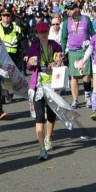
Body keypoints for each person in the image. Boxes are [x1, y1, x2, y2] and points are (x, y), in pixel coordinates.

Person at [26, 21, 64, 160]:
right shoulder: (34, 47)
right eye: (40, 32)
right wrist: (29, 63)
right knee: (40, 116)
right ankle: (42, 148)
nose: (43, 34)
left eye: (45, 32)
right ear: (36, 33)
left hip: (53, 84)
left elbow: (61, 61)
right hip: (38, 85)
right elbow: (29, 67)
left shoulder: (54, 45)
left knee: (52, 114)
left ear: (48, 32)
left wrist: (58, 62)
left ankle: (48, 137)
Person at [61, 2, 94, 107]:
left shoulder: (86, 19)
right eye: (67, 9)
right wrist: (62, 51)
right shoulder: (66, 22)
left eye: (71, 9)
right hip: (72, 51)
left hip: (85, 51)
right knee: (73, 77)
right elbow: (63, 38)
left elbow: (92, 34)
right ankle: (75, 100)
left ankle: (88, 97)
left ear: (76, 9)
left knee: (86, 76)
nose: (68, 11)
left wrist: (95, 45)